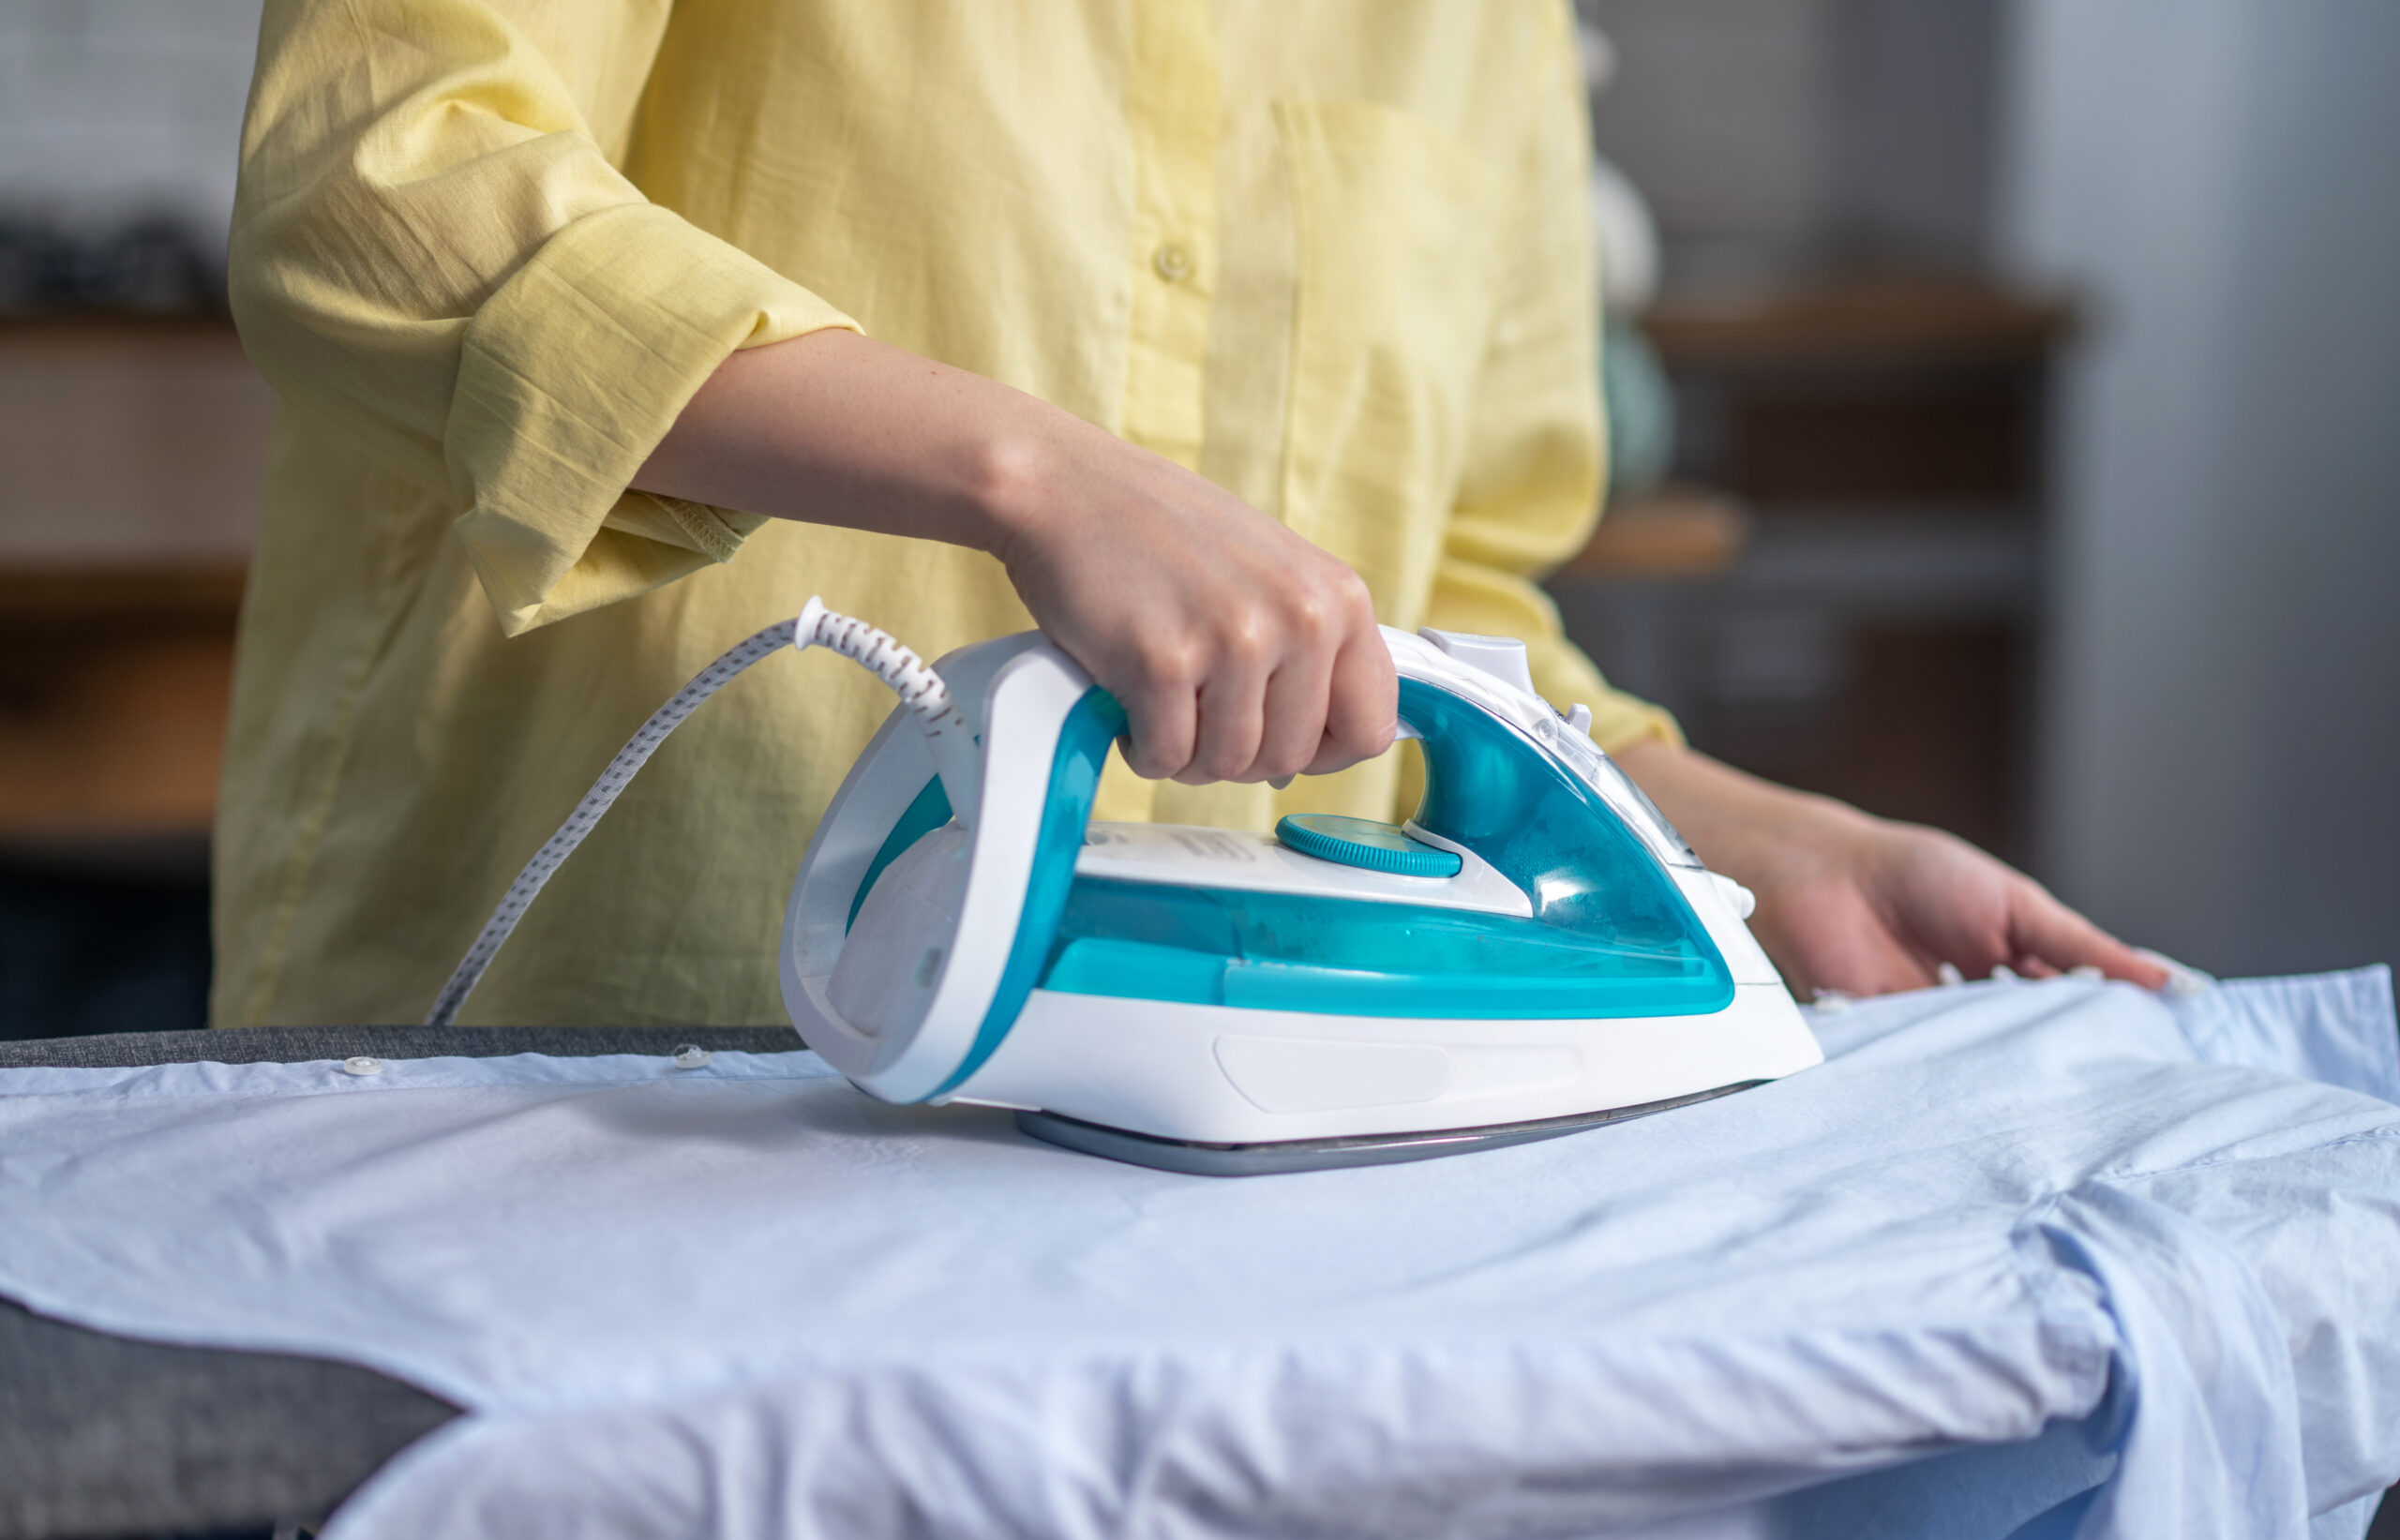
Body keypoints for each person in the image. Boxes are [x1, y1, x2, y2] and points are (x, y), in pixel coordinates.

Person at [213, 0, 2164, 1028]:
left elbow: (1442, 597)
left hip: (1159, 1132)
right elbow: (379, 183)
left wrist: (1771, 856)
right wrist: (1028, 471)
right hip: (581, 1039)